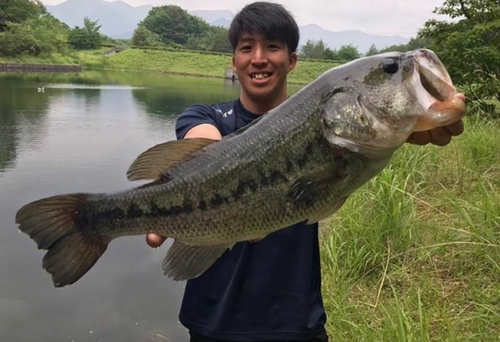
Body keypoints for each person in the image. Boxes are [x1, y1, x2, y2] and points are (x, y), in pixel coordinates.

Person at [146, 2, 465, 341]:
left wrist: (405, 124)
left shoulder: (331, 126)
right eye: (246, 47)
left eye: (272, 46)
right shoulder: (204, 117)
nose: (259, 57)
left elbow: (355, 143)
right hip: (213, 321)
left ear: (292, 60)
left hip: (296, 323)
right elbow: (204, 144)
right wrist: (204, 175)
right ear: (234, 61)